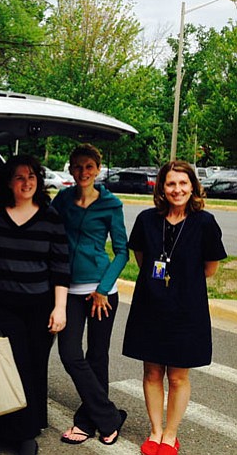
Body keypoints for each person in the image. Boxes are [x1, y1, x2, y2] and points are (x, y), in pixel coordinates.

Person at [123, 160, 226, 455]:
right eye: (171, 184)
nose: (177, 189)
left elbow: (210, 268)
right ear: (161, 187)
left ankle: (170, 435)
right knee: (152, 373)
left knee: (178, 376)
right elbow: (142, 261)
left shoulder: (204, 223)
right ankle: (155, 431)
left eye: (183, 183)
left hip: (187, 310)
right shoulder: (146, 220)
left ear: (192, 186)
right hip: (149, 307)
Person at [0, 155, 70, 455]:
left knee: (35, 367)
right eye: (19, 176)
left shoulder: (50, 217)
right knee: (10, 366)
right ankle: (9, 428)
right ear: (9, 182)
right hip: (2, 305)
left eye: (32, 176)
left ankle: (28, 431)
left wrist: (60, 308)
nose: (27, 181)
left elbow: (60, 266)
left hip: (39, 305)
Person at [51, 143, 128, 446]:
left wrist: (102, 289)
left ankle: (86, 421)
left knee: (97, 356)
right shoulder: (62, 199)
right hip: (66, 289)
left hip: (102, 291)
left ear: (97, 170)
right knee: (70, 354)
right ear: (70, 169)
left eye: (89, 166)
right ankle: (109, 416)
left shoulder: (112, 204)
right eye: (78, 166)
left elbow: (122, 253)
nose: (83, 172)